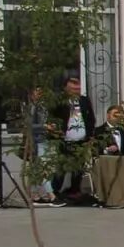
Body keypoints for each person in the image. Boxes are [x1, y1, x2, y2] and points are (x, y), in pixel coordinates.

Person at [47, 73, 98, 203]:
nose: (76, 92)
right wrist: (55, 132)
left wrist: (91, 135)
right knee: (62, 167)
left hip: (82, 140)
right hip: (65, 140)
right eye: (73, 89)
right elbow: (52, 118)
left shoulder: (84, 100)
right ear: (66, 89)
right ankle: (55, 192)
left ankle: (74, 191)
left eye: (78, 89)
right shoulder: (60, 102)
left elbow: (91, 119)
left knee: (78, 167)